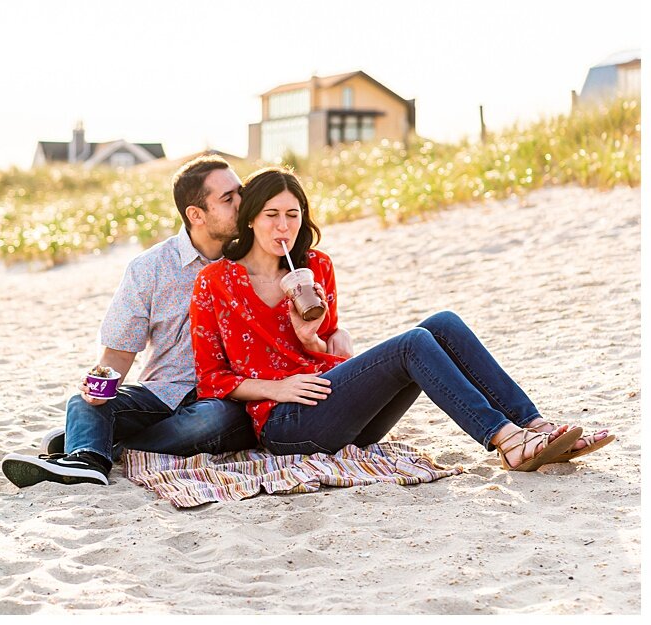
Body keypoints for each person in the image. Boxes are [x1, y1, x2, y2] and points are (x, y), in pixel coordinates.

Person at [190, 167, 615, 471]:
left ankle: (536, 425)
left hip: (341, 410)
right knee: (412, 343)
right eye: (271, 215)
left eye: (293, 215)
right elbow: (212, 379)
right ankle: (506, 439)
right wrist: (278, 387)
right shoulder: (214, 282)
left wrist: (310, 339)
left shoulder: (316, 266)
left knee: (443, 323)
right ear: (250, 219)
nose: (284, 226)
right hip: (286, 425)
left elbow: (326, 351)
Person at [1, 156, 275, 488]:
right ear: (196, 214)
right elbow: (117, 352)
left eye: (240, 192)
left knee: (210, 420)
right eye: (228, 198)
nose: (242, 204)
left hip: (222, 397)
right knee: (83, 401)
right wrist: (99, 388)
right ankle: (87, 459)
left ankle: (109, 442)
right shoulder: (150, 268)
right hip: (162, 392)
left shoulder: (253, 258)